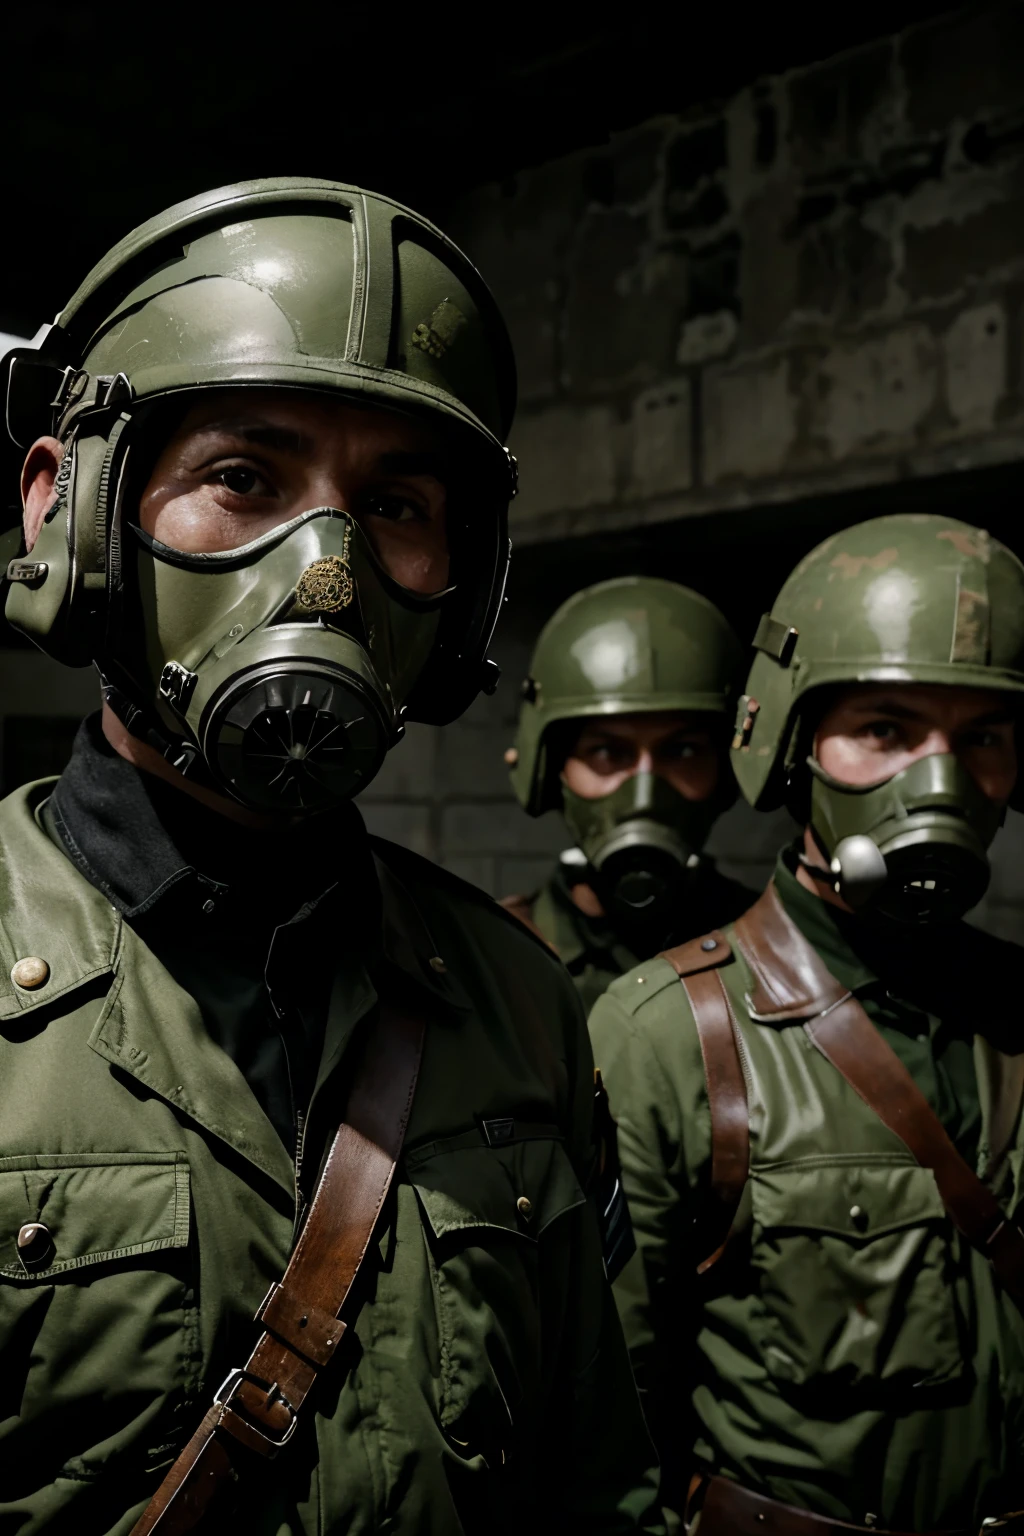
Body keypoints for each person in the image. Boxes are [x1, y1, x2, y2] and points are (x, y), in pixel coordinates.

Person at [0, 177, 658, 1534]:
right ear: (72, 513)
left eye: (399, 506)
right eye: (244, 478)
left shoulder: (519, 1004)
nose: (327, 576)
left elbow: (599, 1488)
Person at [590, 513, 1024, 1533]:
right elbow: (605, 1424)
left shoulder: (1015, 1009)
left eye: (982, 739)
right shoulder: (670, 1033)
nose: (939, 780)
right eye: (883, 731)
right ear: (792, 741)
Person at [502, 577, 752, 1011]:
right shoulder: (494, 957)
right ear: (550, 770)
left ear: (727, 770)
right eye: (606, 752)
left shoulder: (778, 951)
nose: (643, 797)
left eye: (682, 751)